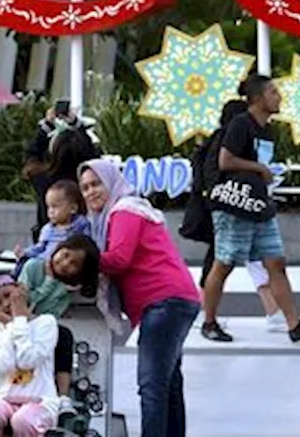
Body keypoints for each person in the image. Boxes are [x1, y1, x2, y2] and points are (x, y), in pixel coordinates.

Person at [199, 74, 300, 343]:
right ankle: (209, 322)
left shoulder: (266, 129)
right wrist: (259, 168)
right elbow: (225, 160)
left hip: (259, 205)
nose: (279, 97)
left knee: (276, 262)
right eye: (273, 92)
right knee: (223, 264)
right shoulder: (241, 125)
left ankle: (295, 325)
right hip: (236, 206)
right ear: (258, 99)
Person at [78, 158, 201, 437]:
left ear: (111, 182)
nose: (90, 192)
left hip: (163, 302)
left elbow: (119, 260)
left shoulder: (125, 212)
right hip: (172, 301)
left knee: (152, 385)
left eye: (96, 184)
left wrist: (79, 261)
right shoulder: (116, 215)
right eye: (85, 188)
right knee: (168, 384)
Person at [0, 234, 99, 429]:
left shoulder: (65, 289)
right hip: (15, 320)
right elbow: (26, 297)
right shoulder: (34, 267)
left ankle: (62, 397)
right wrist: (19, 313)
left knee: (63, 336)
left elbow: (50, 315)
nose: (64, 263)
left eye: (73, 264)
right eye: (64, 255)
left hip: (36, 325)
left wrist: (29, 321)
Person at [185, 99, 287, 333]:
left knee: (225, 262)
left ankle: (208, 315)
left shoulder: (221, 140)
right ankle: (269, 312)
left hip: (230, 207)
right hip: (233, 208)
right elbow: (216, 172)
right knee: (228, 262)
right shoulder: (228, 142)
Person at [0, 275, 62, 437]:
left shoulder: (46, 323)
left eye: (8, 295)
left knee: (22, 421)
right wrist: (11, 326)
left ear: (21, 290)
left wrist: (20, 320)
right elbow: (5, 365)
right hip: (4, 399)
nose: (6, 304)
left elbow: (28, 361)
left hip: (40, 401)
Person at [24, 114, 100, 234]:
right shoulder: (89, 183)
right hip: (83, 242)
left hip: (48, 242)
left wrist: (47, 126)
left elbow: (31, 155)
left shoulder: (43, 178)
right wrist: (77, 125)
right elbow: (94, 157)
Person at [15, 180, 91, 273]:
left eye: (55, 206)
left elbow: (86, 246)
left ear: (73, 208)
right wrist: (25, 252)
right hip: (44, 263)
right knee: (26, 265)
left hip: (65, 266)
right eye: (48, 207)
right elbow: (39, 247)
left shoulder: (80, 225)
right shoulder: (48, 229)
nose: (50, 211)